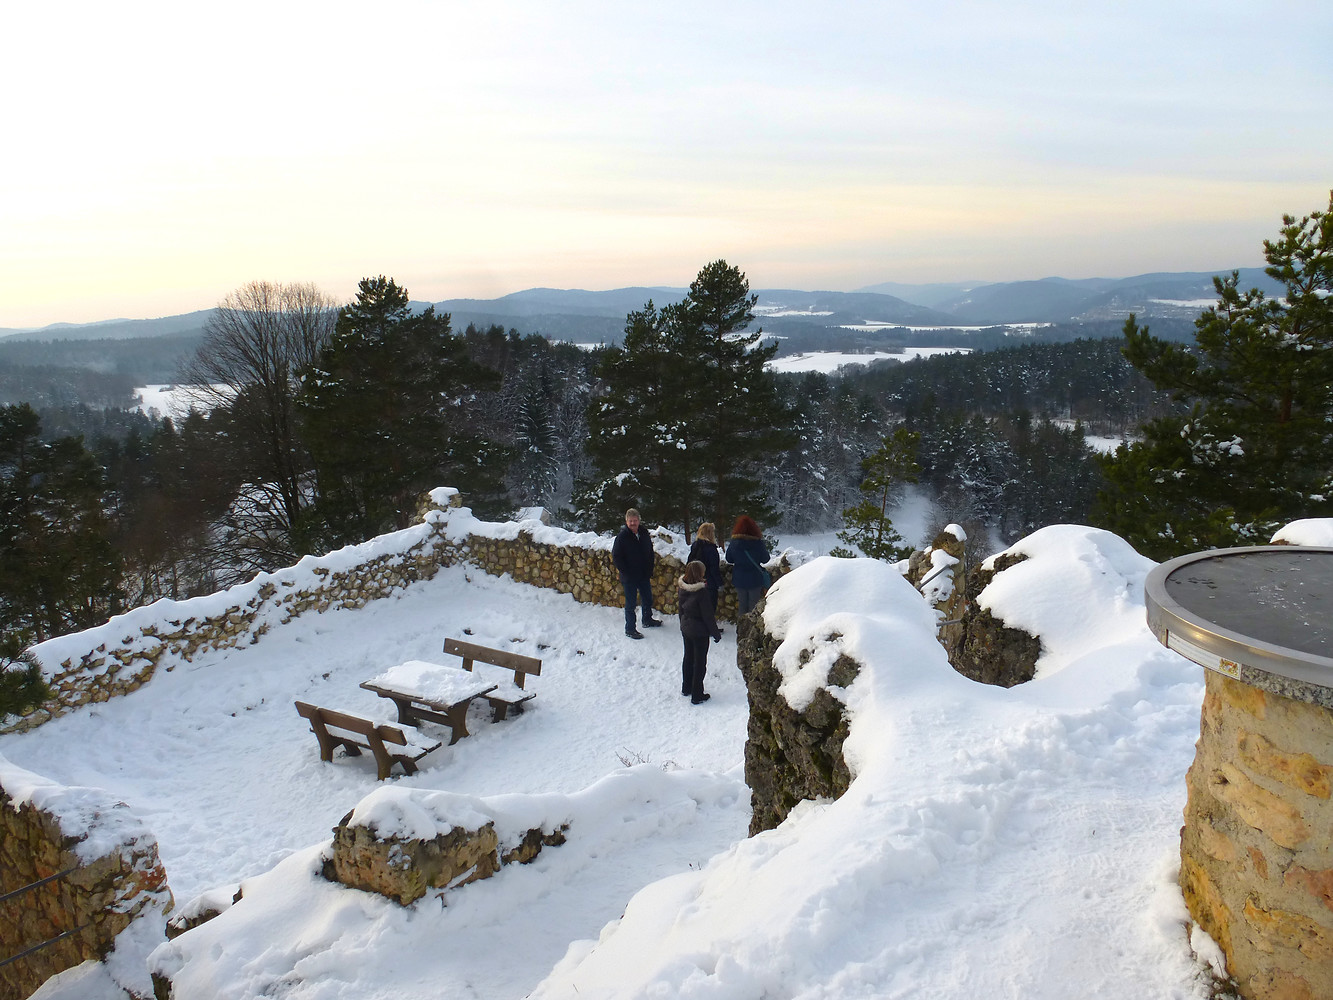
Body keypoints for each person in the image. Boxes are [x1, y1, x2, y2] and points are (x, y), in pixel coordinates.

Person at [611, 507, 662, 639]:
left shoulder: (644, 534)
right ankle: (630, 629)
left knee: (647, 598)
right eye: (630, 521)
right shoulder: (622, 537)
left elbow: (650, 552)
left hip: (643, 574)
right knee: (631, 604)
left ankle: (647, 619)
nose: (633, 523)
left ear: (639, 521)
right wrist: (626, 572)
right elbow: (616, 557)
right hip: (629, 577)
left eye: (635, 520)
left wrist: (649, 568)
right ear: (626, 522)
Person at [677, 560, 722, 703]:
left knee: (688, 657)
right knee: (700, 662)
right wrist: (715, 633)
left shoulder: (682, 587)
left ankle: (686, 687)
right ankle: (697, 694)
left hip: (686, 627)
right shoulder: (702, 592)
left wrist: (682, 624)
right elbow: (708, 616)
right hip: (699, 631)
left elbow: (680, 609)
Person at [725, 515, 770, 616]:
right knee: (753, 605)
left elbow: (729, 559)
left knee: (742, 605)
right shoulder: (758, 543)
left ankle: (741, 628)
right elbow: (765, 559)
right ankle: (750, 628)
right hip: (755, 579)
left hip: (739, 578)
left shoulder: (734, 543)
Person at [687, 522, 723, 613]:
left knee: (698, 609)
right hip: (709, 583)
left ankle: (699, 626)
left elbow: (689, 562)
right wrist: (719, 583)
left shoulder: (695, 546)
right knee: (709, 609)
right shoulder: (711, 549)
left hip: (695, 582)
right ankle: (709, 627)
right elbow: (714, 569)